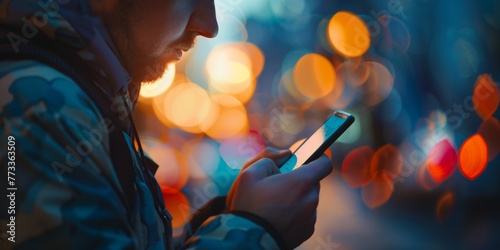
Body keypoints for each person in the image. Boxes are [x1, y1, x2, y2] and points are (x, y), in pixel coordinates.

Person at [0, 0, 333, 249]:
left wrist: (231, 215)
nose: (208, 25)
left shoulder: (73, 96)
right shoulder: (37, 105)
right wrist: (256, 229)